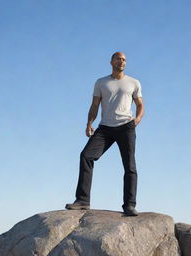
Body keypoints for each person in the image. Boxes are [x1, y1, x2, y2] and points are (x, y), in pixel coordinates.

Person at [65, 52, 144, 216]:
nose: (121, 61)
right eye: (118, 59)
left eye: (124, 60)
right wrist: (89, 123)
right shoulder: (101, 82)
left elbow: (140, 105)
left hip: (126, 126)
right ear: (111, 62)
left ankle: (129, 205)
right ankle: (82, 200)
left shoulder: (133, 83)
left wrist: (136, 120)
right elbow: (95, 104)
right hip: (105, 128)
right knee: (86, 155)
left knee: (130, 165)